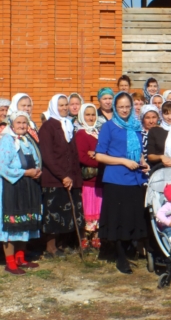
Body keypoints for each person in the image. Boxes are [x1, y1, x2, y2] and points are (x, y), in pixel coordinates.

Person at [94, 92, 149, 274]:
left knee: (132, 218)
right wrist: (123, 161)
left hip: (135, 179)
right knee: (118, 219)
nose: (124, 110)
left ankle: (129, 249)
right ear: (115, 108)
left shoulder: (136, 126)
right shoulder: (109, 127)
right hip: (116, 179)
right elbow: (100, 155)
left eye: (127, 107)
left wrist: (144, 163)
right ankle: (120, 257)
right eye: (121, 107)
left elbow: (139, 152)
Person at [0, 111, 43, 275]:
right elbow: (3, 168)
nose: (22, 126)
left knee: (24, 221)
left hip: (27, 185)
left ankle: (21, 257)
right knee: (12, 224)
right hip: (11, 186)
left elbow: (36, 160)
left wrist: (37, 171)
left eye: (24, 123)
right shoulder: (6, 141)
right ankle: (10, 262)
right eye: (18, 123)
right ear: (12, 125)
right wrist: (25, 172)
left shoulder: (27, 141)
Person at [38, 95, 83, 259]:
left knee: (67, 213)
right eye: (61, 105)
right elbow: (48, 156)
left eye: (66, 105)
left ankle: (62, 244)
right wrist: (62, 175)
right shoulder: (48, 127)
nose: (64, 108)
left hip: (70, 177)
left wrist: (74, 176)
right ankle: (50, 247)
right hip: (54, 179)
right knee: (53, 213)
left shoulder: (68, 124)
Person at [76, 103, 103, 251]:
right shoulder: (81, 134)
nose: (91, 118)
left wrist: (97, 155)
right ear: (82, 116)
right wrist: (102, 161)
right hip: (88, 180)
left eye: (93, 114)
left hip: (100, 179)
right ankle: (85, 238)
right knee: (88, 208)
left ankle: (96, 237)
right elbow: (82, 157)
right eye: (87, 115)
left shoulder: (98, 132)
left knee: (98, 208)